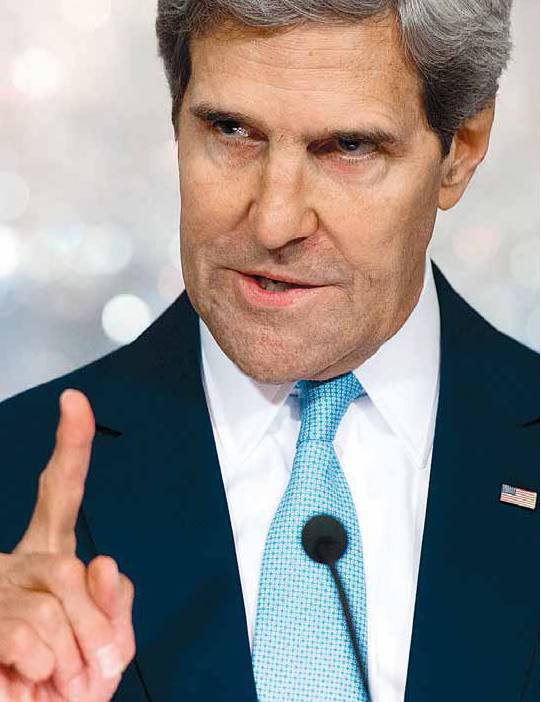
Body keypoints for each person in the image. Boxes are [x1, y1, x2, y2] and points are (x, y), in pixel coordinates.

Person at [0, 0, 538, 700]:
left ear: (459, 150)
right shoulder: (14, 473)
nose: (274, 221)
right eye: (231, 131)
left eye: (348, 147)